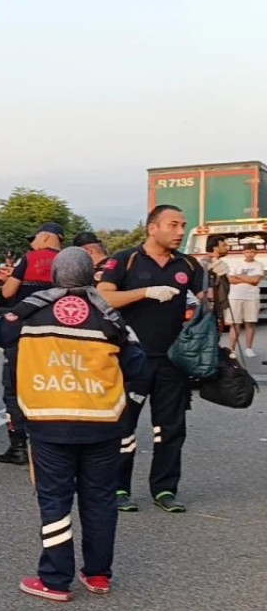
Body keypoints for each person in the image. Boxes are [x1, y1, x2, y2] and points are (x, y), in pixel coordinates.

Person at [0, 248, 151, 601]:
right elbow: (139, 369)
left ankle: (55, 579)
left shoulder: (29, 313)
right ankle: (98, 575)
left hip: (50, 423)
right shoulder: (109, 318)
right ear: (91, 276)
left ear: (54, 275)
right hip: (103, 423)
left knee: (55, 501)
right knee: (100, 500)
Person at [97, 205, 204, 514]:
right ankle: (118, 487)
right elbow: (103, 297)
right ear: (153, 228)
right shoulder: (125, 260)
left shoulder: (189, 264)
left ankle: (165, 489)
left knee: (170, 429)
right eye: (174, 225)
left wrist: (217, 286)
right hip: (131, 357)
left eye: (184, 225)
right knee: (123, 427)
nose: (181, 231)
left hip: (173, 361)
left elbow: (205, 304)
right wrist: (145, 292)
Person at [0, 222, 65, 465]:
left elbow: (6, 293)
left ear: (45, 237)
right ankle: (50, 448)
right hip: (58, 338)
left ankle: (18, 447)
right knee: (53, 390)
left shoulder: (30, 259)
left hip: (24, 335)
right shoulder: (69, 261)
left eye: (33, 239)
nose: (31, 243)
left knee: (15, 390)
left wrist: (6, 280)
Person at [227, 242, 262, 357]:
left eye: (252, 251)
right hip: (235, 296)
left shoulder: (259, 265)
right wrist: (248, 279)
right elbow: (230, 279)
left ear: (256, 252)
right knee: (235, 324)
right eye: (247, 251)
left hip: (252, 297)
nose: (250, 254)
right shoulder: (236, 264)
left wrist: (239, 276)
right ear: (243, 252)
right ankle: (232, 349)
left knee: (250, 323)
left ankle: (249, 348)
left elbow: (255, 280)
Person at [201, 236, 232, 336]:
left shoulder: (218, 263)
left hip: (217, 305)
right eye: (223, 245)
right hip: (210, 305)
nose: (227, 247)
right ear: (215, 248)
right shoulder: (206, 262)